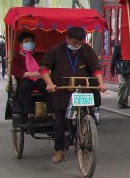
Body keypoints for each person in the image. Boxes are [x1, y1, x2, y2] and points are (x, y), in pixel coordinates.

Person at [40, 26, 107, 163]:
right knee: (60, 121)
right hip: (62, 91)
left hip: (82, 90)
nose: (77, 46)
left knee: (88, 115)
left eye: (80, 43)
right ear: (67, 39)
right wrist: (49, 84)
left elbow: (96, 68)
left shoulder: (86, 49)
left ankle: (84, 142)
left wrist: (101, 84)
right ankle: (59, 150)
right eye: (74, 42)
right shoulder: (56, 50)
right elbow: (44, 68)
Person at [12, 31, 47, 123]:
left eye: (31, 41)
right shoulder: (17, 56)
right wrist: (31, 74)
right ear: (21, 44)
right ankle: (30, 115)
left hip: (40, 78)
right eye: (26, 41)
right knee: (24, 88)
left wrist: (43, 73)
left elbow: (45, 66)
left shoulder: (39, 56)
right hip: (26, 79)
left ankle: (51, 114)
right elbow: (16, 71)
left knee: (48, 87)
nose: (29, 43)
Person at [112, 40, 130, 109]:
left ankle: (125, 102)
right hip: (121, 69)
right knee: (123, 84)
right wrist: (112, 71)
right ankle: (120, 101)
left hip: (129, 68)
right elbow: (114, 59)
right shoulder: (118, 47)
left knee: (128, 85)